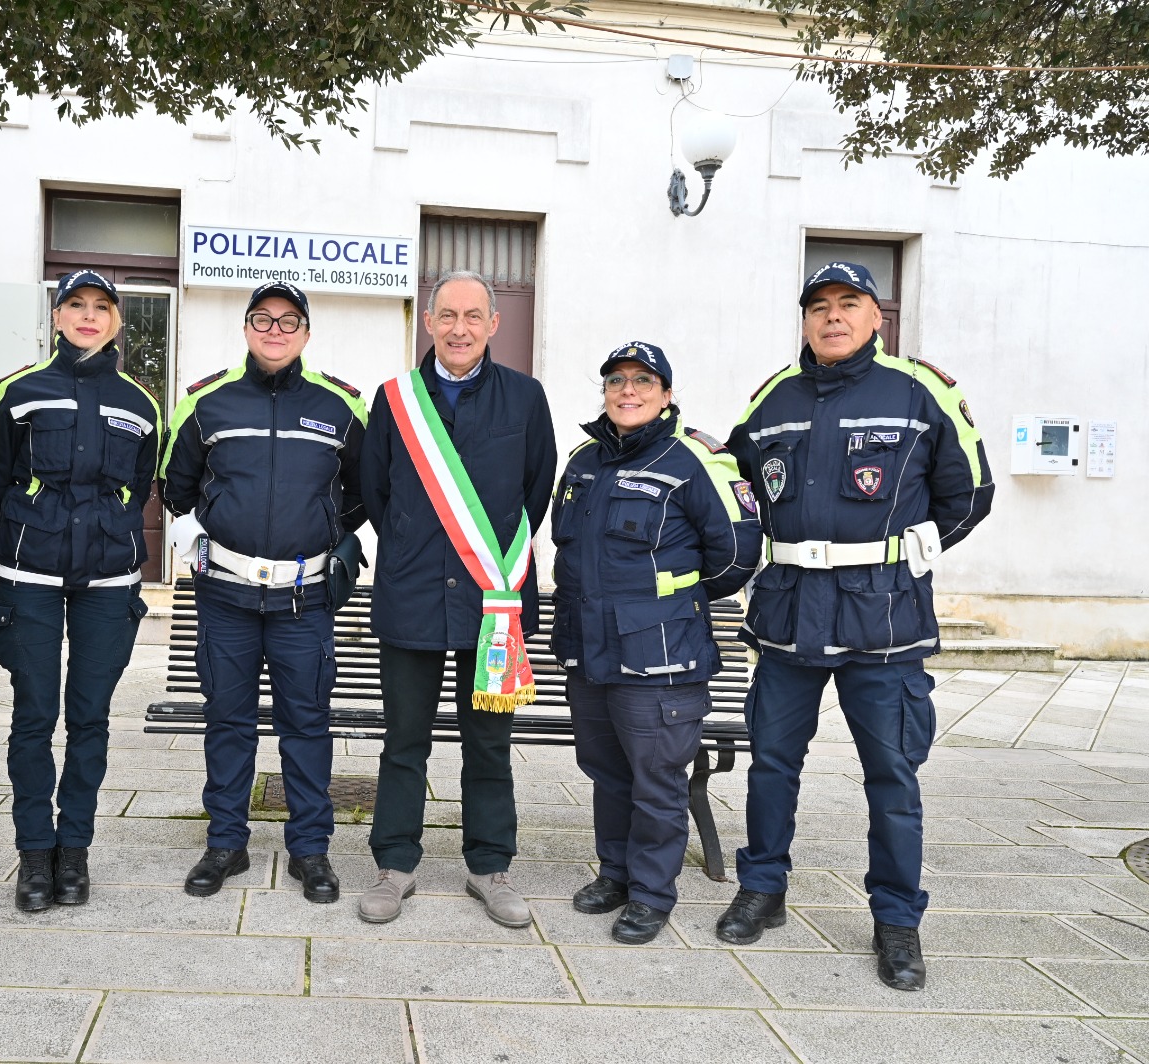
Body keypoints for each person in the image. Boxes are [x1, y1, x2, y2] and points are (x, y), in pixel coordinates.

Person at [717, 261, 994, 990]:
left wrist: (903, 559)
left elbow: (968, 494)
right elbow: (736, 491)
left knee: (892, 777)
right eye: (819, 307)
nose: (833, 317)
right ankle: (763, 888)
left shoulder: (920, 391)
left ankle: (897, 920)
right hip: (788, 619)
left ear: (877, 317)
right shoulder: (773, 399)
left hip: (884, 623)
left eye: (849, 303)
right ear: (806, 320)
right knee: (772, 764)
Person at [359, 270, 556, 928]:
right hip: (411, 596)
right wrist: (415, 541)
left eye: (474, 316)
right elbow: (377, 492)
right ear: (428, 322)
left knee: (490, 745)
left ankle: (490, 866)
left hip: (491, 603)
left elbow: (535, 491)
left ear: (494, 324)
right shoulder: (395, 400)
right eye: (447, 315)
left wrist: (485, 560)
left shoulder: (526, 398)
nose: (460, 328)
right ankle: (394, 865)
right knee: (403, 741)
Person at [160, 281, 366, 903]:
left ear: (306, 332)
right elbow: (175, 485)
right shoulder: (206, 403)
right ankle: (226, 842)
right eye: (263, 319)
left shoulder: (341, 408)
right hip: (225, 595)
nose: (275, 330)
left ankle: (310, 849)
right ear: (246, 328)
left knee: (307, 724)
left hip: (303, 601)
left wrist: (325, 532)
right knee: (228, 721)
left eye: (288, 320)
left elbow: (362, 493)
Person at [549, 341, 760, 943]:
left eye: (643, 381)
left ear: (666, 394)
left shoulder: (694, 459)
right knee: (606, 770)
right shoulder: (584, 461)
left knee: (657, 778)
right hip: (591, 650)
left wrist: (664, 607)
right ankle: (615, 874)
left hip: (660, 655)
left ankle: (650, 894)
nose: (628, 391)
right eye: (616, 380)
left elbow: (736, 555)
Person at [0, 269, 161, 912]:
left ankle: (74, 849)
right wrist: (29, 536)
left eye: (101, 307)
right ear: (56, 317)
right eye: (75, 305)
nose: (88, 316)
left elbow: (140, 487)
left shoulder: (141, 404)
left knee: (90, 716)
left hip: (108, 578)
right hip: (29, 574)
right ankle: (35, 852)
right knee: (34, 713)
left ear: (117, 321)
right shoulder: (17, 392)